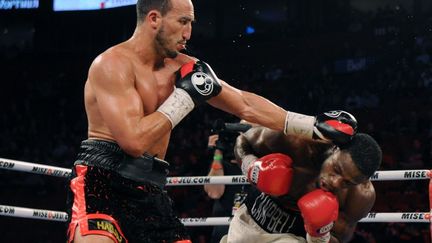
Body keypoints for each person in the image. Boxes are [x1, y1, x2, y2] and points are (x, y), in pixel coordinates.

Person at [66, 0, 358, 242]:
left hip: (150, 187)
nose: (189, 33)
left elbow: (244, 103)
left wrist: (312, 126)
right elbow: (133, 141)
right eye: (183, 22)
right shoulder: (112, 65)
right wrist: (185, 98)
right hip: (103, 180)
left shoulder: (184, 66)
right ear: (154, 18)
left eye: (191, 23)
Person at [221, 126, 382, 243]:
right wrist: (251, 166)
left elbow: (341, 237)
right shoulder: (297, 143)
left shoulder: (360, 196)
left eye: (347, 182)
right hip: (249, 221)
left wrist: (320, 235)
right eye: (337, 169)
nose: (335, 182)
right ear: (335, 148)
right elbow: (244, 139)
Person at [204, 132, 248, 243]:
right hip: (225, 225)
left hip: (252, 226)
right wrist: (218, 150)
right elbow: (214, 193)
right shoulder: (221, 164)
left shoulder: (260, 165)